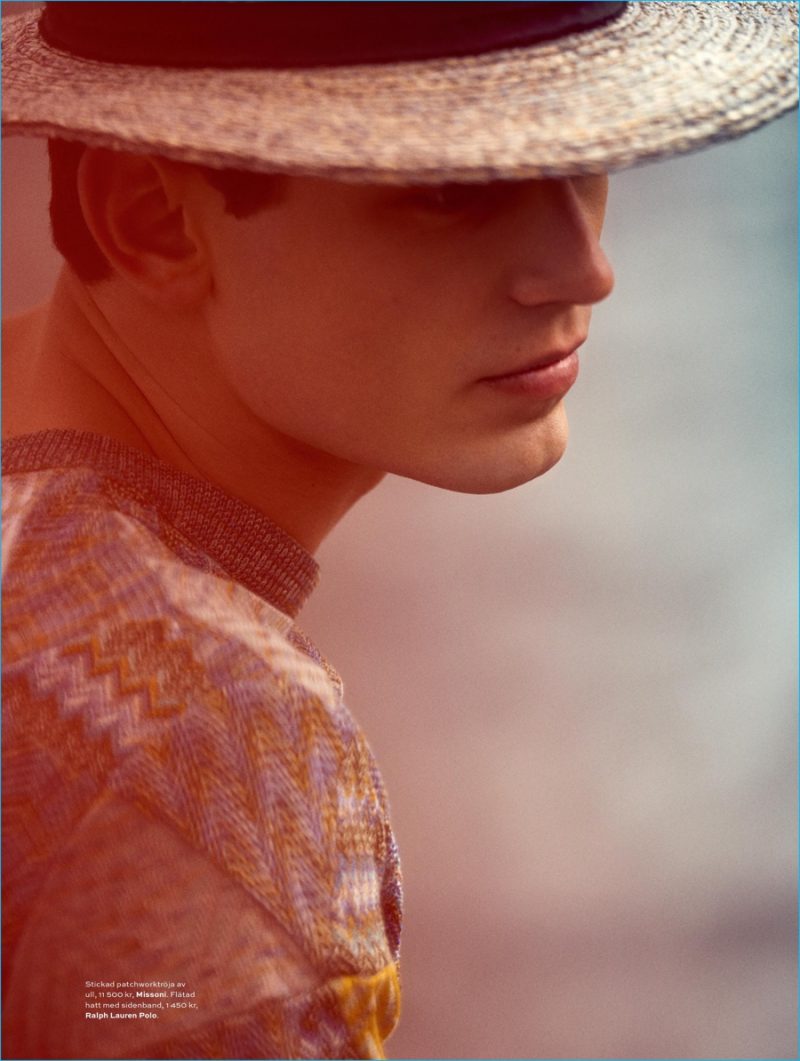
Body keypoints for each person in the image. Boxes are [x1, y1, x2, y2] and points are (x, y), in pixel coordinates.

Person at [2, 3, 796, 1059]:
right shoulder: (205, 737)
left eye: (582, 151)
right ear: (151, 217)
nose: (582, 267)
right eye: (451, 191)